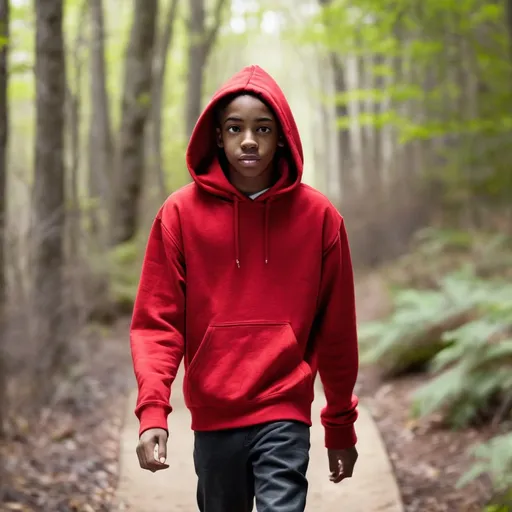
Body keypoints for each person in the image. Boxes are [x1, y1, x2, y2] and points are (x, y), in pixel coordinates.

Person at [130, 64, 359, 512]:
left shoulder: (320, 218)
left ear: (282, 137)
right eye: (235, 128)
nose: (249, 140)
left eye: (263, 129)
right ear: (218, 136)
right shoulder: (178, 215)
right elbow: (157, 324)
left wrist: (339, 425)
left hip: (284, 410)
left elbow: (336, 333)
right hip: (214, 417)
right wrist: (152, 410)